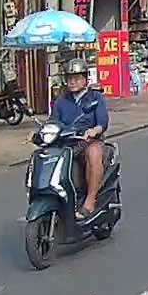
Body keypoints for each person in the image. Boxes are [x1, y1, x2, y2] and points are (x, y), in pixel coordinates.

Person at [49, 57, 109, 218]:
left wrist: (94, 130)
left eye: (76, 78)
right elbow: (53, 121)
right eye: (69, 78)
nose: (72, 82)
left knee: (94, 152)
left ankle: (90, 200)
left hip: (88, 142)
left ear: (85, 79)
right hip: (66, 143)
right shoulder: (61, 101)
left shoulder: (95, 98)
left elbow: (102, 122)